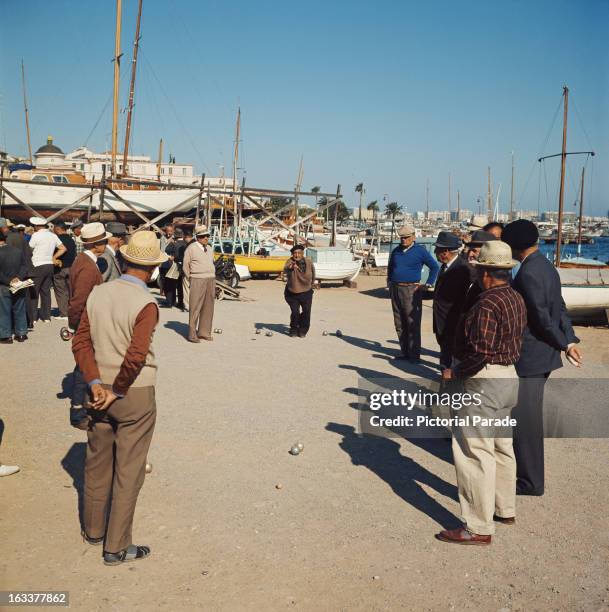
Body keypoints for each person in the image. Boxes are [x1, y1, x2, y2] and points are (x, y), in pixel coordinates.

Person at [72, 230, 166, 565]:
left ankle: (93, 530)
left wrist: (96, 382)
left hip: (97, 390)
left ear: (124, 259)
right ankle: (116, 546)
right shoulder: (146, 303)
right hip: (132, 393)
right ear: (153, 269)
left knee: (97, 463)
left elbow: (80, 341)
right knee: (128, 470)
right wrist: (117, 390)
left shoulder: (99, 292)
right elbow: (136, 355)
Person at [437, 241, 526, 546]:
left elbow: (481, 352)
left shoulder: (487, 303)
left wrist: (454, 373)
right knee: (501, 447)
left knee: (474, 452)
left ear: (487, 272)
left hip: (484, 380)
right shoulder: (515, 297)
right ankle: (504, 508)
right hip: (508, 378)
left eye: (478, 268)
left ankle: (478, 526)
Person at [502, 219, 582, 496]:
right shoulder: (547, 267)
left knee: (525, 420)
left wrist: (565, 344)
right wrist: (568, 339)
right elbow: (560, 307)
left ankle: (530, 481)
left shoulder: (527, 274)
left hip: (531, 356)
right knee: (526, 417)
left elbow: (541, 318)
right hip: (542, 355)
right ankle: (526, 475)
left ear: (514, 246)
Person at [68, 222, 110, 429]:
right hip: (87, 322)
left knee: (84, 366)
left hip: (86, 321)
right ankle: (78, 411)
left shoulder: (83, 261)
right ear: (97, 244)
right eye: (104, 241)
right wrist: (76, 327)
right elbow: (79, 300)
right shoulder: (87, 266)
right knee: (84, 367)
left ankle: (82, 405)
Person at [387, 225, 439, 362]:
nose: (403, 240)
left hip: (411, 289)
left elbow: (434, 266)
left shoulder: (420, 251)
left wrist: (428, 283)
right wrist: (389, 282)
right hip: (395, 288)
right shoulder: (396, 251)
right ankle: (405, 352)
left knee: (412, 323)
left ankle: (414, 355)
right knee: (399, 322)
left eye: (406, 237)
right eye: (401, 238)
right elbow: (390, 267)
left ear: (413, 237)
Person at [432, 231, 470, 373]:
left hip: (453, 325)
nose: (435, 252)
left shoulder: (463, 269)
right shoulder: (445, 266)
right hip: (441, 324)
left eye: (437, 249)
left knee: (450, 362)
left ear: (446, 251)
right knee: (445, 357)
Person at [28, 216, 67, 322]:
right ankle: (46, 317)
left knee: (34, 291)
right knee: (46, 291)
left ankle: (33, 317)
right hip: (49, 265)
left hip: (37, 265)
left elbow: (29, 249)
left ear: (36, 226)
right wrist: (54, 257)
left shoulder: (35, 235)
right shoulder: (52, 235)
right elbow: (63, 248)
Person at [183, 225, 215, 343]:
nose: (206, 238)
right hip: (197, 279)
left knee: (208, 307)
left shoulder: (210, 248)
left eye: (207, 236)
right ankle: (192, 334)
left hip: (210, 279)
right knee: (195, 306)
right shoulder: (191, 248)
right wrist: (191, 278)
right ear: (198, 237)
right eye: (203, 236)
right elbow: (186, 265)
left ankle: (204, 332)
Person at [0, 230, 29, 343]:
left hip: (3, 285)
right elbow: (24, 267)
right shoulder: (17, 251)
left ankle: (6, 335)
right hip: (18, 284)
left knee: (4, 311)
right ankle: (21, 334)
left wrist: (8, 281)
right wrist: (18, 278)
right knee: (20, 309)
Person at [281, 244, 316, 337]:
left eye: (299, 253)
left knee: (306, 312)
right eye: (295, 253)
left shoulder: (308, 262)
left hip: (306, 292)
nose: (297, 255)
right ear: (292, 254)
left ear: (302, 253)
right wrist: (291, 267)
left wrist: (313, 283)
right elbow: (286, 268)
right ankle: (293, 329)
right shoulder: (290, 261)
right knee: (295, 312)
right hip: (292, 292)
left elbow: (313, 273)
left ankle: (303, 330)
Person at [52, 221, 77, 320]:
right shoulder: (71, 239)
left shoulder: (57, 239)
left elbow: (57, 251)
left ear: (58, 229)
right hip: (71, 267)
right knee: (71, 290)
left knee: (60, 291)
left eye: (54, 228)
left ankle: (64, 313)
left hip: (60, 268)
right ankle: (72, 311)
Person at [163, 227, 185, 309]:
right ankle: (180, 303)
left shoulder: (174, 243)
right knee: (180, 286)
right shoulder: (186, 243)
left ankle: (170, 302)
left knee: (170, 284)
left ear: (175, 236)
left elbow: (166, 249)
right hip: (183, 266)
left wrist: (171, 242)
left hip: (175, 265)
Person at [177, 229, 194, 310]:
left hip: (188, 270)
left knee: (187, 289)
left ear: (187, 237)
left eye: (184, 237)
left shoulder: (188, 246)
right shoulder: (197, 244)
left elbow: (185, 260)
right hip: (196, 270)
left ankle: (187, 306)